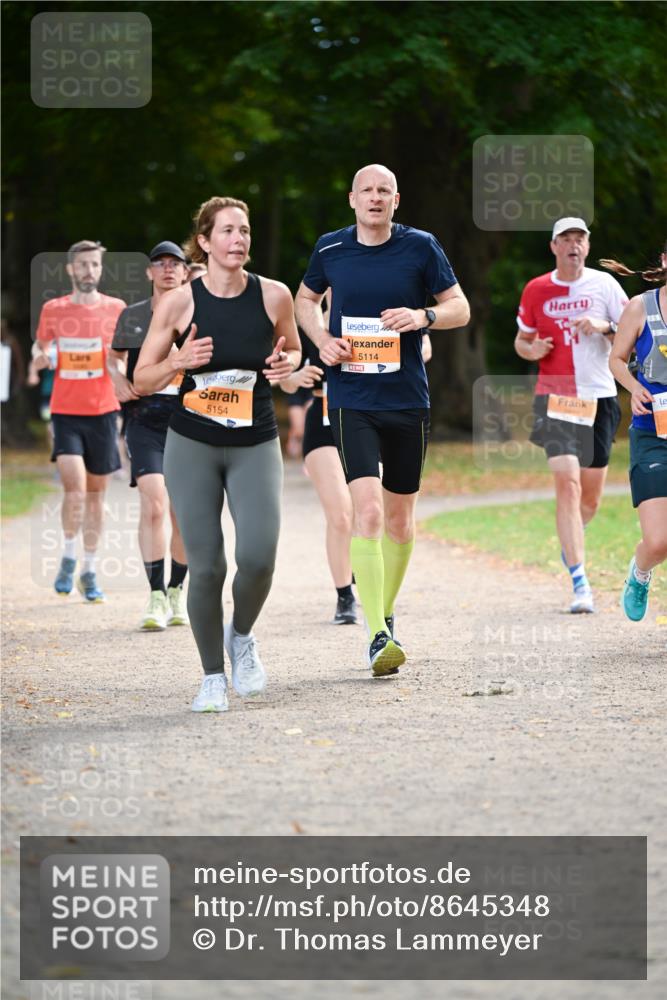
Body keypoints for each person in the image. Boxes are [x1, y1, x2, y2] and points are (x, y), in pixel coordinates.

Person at [295, 163, 469, 677]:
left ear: (397, 200)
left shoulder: (421, 247)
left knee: (399, 520)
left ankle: (385, 608)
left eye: (384, 191)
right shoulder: (330, 248)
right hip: (351, 397)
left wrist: (423, 317)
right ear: (352, 198)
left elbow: (459, 307)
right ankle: (377, 634)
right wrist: (322, 340)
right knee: (366, 513)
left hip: (408, 400)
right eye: (367, 190)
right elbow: (305, 300)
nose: (375, 198)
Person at [134, 196, 300, 713]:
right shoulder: (180, 302)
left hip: (255, 441)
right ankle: (211, 676)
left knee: (258, 558)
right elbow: (140, 379)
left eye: (244, 230)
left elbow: (293, 349)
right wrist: (178, 360)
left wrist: (284, 362)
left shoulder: (273, 296)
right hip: (193, 444)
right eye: (227, 230)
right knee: (206, 568)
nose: (239, 239)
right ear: (204, 243)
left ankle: (241, 636)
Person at [514, 218, 628, 614]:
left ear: (588, 245)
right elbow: (521, 341)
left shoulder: (606, 286)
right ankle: (581, 582)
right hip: (556, 396)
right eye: (566, 239)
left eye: (579, 238)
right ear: (554, 247)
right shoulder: (536, 289)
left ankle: (571, 539)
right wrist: (533, 349)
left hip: (599, 396)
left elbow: (633, 337)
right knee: (568, 484)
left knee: (590, 499)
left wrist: (605, 325)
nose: (573, 245)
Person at [32, 240, 125, 602]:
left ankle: (89, 568)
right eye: (83, 265)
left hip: (103, 411)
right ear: (71, 269)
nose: (89, 271)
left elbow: (124, 356)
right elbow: (40, 346)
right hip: (66, 411)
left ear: (100, 270)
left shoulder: (117, 309)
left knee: (96, 494)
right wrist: (42, 356)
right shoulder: (53, 309)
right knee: (73, 487)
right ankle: (68, 557)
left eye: (95, 266)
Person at [108, 241, 191, 631]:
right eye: (160, 263)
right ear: (149, 272)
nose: (168, 269)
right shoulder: (134, 314)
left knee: (184, 512)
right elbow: (114, 357)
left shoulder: (198, 313)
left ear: (186, 272)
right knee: (155, 502)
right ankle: (155, 593)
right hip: (144, 416)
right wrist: (117, 379)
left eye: (176, 264)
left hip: (189, 417)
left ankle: (177, 590)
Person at [606, 242, 667, 621]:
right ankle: (640, 573)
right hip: (651, 434)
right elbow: (616, 359)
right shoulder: (640, 307)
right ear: (664, 260)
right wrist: (634, 388)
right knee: (660, 540)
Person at [280, 327, 357, 625]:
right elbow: (282, 380)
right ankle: (344, 596)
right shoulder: (306, 329)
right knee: (340, 514)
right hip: (323, 423)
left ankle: (362, 572)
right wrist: (292, 378)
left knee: (367, 513)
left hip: (368, 420)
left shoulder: (370, 315)